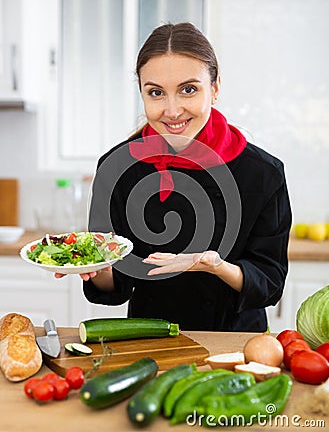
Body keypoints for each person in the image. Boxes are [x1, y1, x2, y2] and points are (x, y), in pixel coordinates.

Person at [57, 22, 292, 332]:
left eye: (188, 89)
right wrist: (94, 267)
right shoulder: (116, 169)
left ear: (216, 88)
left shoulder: (262, 173)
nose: (172, 110)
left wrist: (216, 267)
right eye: (156, 93)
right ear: (142, 93)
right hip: (151, 341)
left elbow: (270, 282)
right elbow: (116, 284)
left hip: (235, 345)